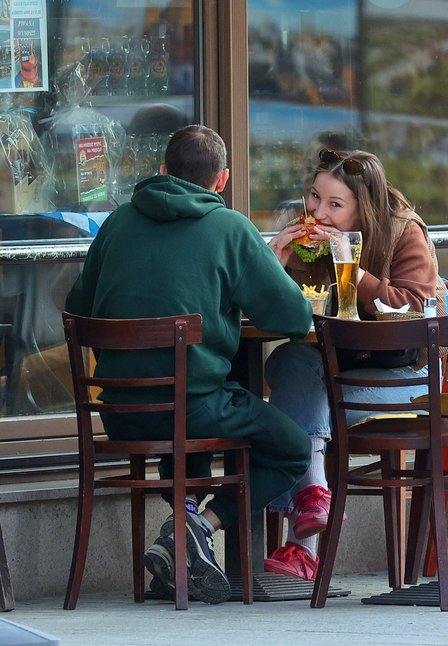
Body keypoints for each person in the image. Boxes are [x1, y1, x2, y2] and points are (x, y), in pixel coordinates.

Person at [65, 125, 313, 603]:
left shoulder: (117, 223)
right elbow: (294, 316)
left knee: (194, 409)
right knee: (291, 447)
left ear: (162, 172)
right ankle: (196, 527)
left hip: (119, 412)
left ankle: (182, 535)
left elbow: (80, 307)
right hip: (195, 408)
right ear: (221, 180)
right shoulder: (231, 228)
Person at [261, 148, 444, 581]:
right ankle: (314, 496)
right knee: (290, 362)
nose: (318, 213)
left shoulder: (403, 232)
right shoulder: (307, 239)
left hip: (404, 376)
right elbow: (276, 315)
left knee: (292, 412)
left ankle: (301, 544)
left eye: (335, 205)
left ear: (367, 208)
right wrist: (275, 264)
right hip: (330, 367)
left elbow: (419, 308)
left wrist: (353, 268)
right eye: (314, 198)